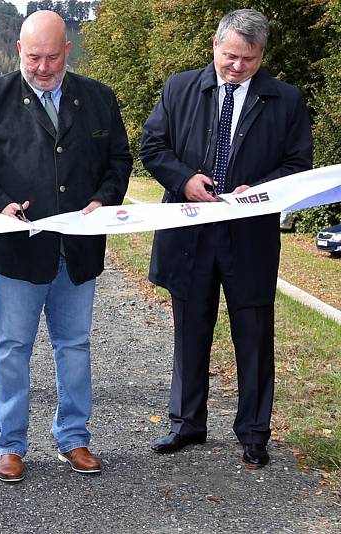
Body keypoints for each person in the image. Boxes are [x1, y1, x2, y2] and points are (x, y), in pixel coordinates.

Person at [0, 10, 131, 483]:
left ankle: (74, 438)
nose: (43, 67)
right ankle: (10, 444)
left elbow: (119, 158)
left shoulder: (98, 98)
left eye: (53, 57)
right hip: (16, 251)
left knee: (74, 345)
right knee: (12, 347)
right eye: (34, 57)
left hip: (77, 249)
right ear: (18, 50)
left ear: (67, 51)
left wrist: (103, 199)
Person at [140, 9, 312, 468]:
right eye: (231, 56)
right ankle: (186, 424)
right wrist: (184, 180)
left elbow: (298, 166)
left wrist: (258, 192)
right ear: (215, 45)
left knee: (254, 337)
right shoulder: (179, 88)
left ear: (262, 56)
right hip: (189, 233)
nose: (237, 67)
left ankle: (254, 433)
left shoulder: (287, 100)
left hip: (250, 237)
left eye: (249, 60)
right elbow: (153, 147)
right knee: (189, 331)